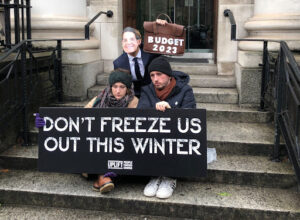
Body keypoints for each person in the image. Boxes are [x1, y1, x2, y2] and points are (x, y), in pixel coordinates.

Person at [137, 56, 196, 199]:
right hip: (154, 136)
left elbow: (192, 117)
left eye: (159, 74)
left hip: (176, 137)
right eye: (152, 75)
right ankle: (155, 176)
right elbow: (141, 114)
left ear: (169, 76)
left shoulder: (185, 90)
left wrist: (171, 111)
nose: (155, 79)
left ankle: (170, 177)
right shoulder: (147, 90)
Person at [84, 68, 138, 193]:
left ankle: (102, 178)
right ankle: (102, 178)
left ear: (128, 88)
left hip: (121, 146)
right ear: (110, 86)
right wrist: (49, 122)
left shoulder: (134, 102)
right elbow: (80, 118)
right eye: (115, 86)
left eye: (122, 87)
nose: (118, 91)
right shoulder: (100, 98)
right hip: (100, 142)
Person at [113, 20, 167, 98]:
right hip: (133, 95)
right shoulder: (118, 63)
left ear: (139, 41)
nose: (128, 43)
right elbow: (119, 85)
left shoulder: (150, 52)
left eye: (132, 39)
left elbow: (165, 44)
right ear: (122, 44)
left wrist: (163, 27)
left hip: (154, 92)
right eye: (125, 40)